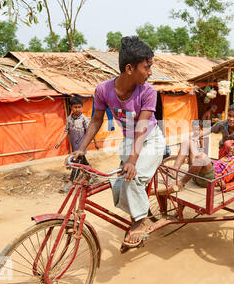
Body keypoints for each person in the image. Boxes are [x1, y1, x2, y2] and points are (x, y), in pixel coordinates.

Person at [70, 36, 166, 250]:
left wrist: (132, 161)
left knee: (133, 177)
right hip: (130, 141)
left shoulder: (149, 91)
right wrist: (81, 149)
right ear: (130, 69)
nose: (150, 72)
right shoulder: (103, 90)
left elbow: (142, 128)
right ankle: (137, 213)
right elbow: (95, 120)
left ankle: (139, 222)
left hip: (150, 140)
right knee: (119, 180)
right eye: (147, 67)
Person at [169, 122, 234, 192]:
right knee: (188, 142)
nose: (231, 147)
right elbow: (227, 143)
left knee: (202, 157)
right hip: (196, 173)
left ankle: (181, 182)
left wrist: (226, 186)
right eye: (233, 145)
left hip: (210, 179)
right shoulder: (228, 154)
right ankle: (174, 169)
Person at [55, 96, 99, 193]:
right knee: (83, 162)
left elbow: (89, 132)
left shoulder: (84, 119)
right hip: (74, 145)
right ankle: (92, 174)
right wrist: (59, 142)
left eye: (79, 107)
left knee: (77, 162)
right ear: (71, 107)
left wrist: (95, 142)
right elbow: (66, 131)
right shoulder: (69, 119)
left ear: (82, 107)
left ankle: (71, 182)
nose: (77, 109)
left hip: (82, 146)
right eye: (75, 107)